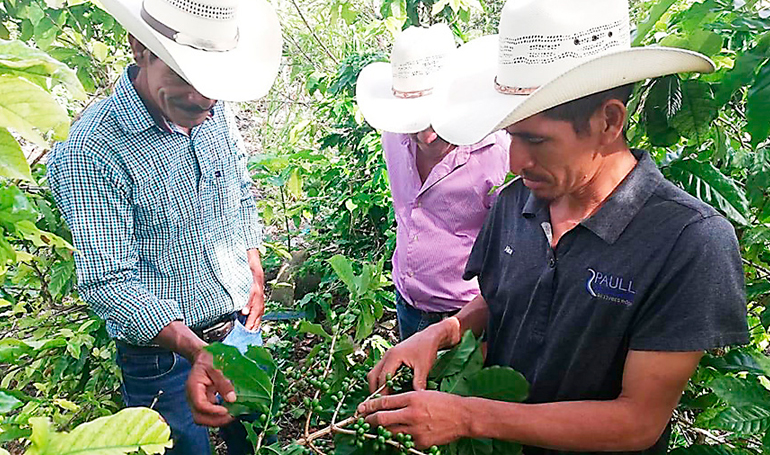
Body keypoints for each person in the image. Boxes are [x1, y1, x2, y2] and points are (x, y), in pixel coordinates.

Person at [358, 1, 749, 454]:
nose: (515, 161)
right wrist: (444, 331)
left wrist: (466, 415)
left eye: (536, 140)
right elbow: (503, 294)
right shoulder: (515, 203)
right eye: (512, 136)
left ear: (608, 121)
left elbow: (637, 421)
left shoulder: (689, 242)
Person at [46, 0, 282, 453]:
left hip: (237, 325)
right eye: (187, 80)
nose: (205, 99)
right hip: (161, 358)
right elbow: (108, 282)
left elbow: (238, 185)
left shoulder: (215, 107)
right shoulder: (93, 151)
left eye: (214, 85)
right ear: (139, 49)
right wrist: (195, 351)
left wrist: (251, 260)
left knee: (260, 441)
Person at [355, 24, 510, 340]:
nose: (425, 135)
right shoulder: (393, 135)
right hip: (408, 304)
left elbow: (513, 249)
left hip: (467, 316)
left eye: (433, 118)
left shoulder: (497, 153)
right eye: (414, 120)